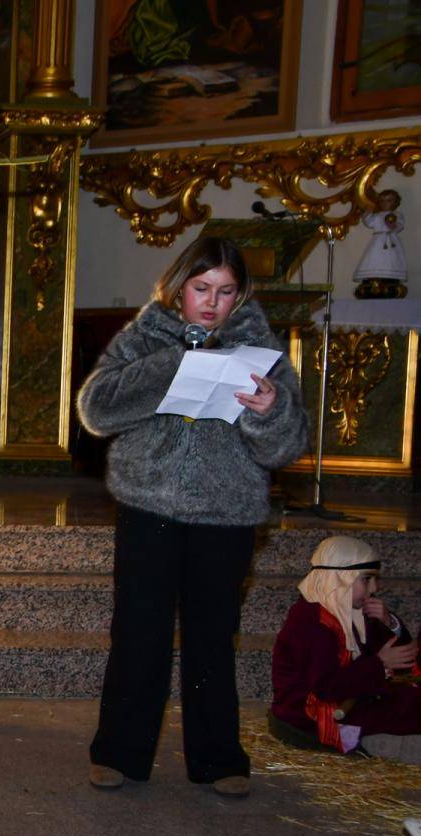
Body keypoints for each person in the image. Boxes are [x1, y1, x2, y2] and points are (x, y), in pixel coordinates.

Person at [77, 236, 308, 797]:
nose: (212, 303)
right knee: (139, 632)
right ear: (179, 287)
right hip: (148, 505)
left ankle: (218, 760)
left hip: (227, 516)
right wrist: (168, 369)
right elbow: (95, 409)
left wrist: (268, 410)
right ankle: (120, 753)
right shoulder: (146, 335)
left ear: (240, 296)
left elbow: (287, 446)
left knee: (212, 637)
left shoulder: (261, 348)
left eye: (226, 292)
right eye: (202, 288)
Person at [269, 536, 419, 759]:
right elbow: (325, 687)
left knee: (410, 699)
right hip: (314, 713)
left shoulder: (350, 611)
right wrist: (380, 664)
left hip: (350, 697)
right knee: (407, 709)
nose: (374, 588)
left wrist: (390, 623)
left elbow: (404, 661)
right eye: (366, 579)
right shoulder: (310, 619)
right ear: (340, 579)